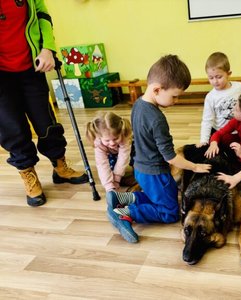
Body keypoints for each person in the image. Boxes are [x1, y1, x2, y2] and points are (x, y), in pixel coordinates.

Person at [106, 54, 211, 243]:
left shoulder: (138, 104)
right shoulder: (157, 119)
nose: (176, 101)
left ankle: (121, 197)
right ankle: (124, 212)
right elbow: (171, 157)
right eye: (174, 97)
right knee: (170, 212)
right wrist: (195, 167)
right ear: (157, 89)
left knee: (164, 196)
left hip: (140, 169)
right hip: (155, 173)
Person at [0, 0, 88, 207]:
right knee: (12, 128)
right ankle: (28, 176)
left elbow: (42, 16)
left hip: (32, 66)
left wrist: (48, 48)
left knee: (45, 120)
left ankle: (60, 167)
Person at [198, 52, 241, 146]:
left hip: (240, 130)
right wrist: (204, 140)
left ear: (228, 74)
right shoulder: (210, 97)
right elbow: (207, 120)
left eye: (219, 77)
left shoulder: (239, 87)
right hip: (220, 132)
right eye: (211, 78)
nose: (215, 81)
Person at [86, 111, 136, 192]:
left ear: (121, 132)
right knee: (109, 171)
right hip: (112, 153)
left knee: (137, 154)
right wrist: (109, 186)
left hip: (131, 149)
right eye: (107, 140)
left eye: (116, 138)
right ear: (99, 137)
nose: (112, 143)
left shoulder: (125, 136)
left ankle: (137, 174)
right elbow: (102, 164)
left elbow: (123, 158)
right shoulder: (98, 143)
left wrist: (116, 179)